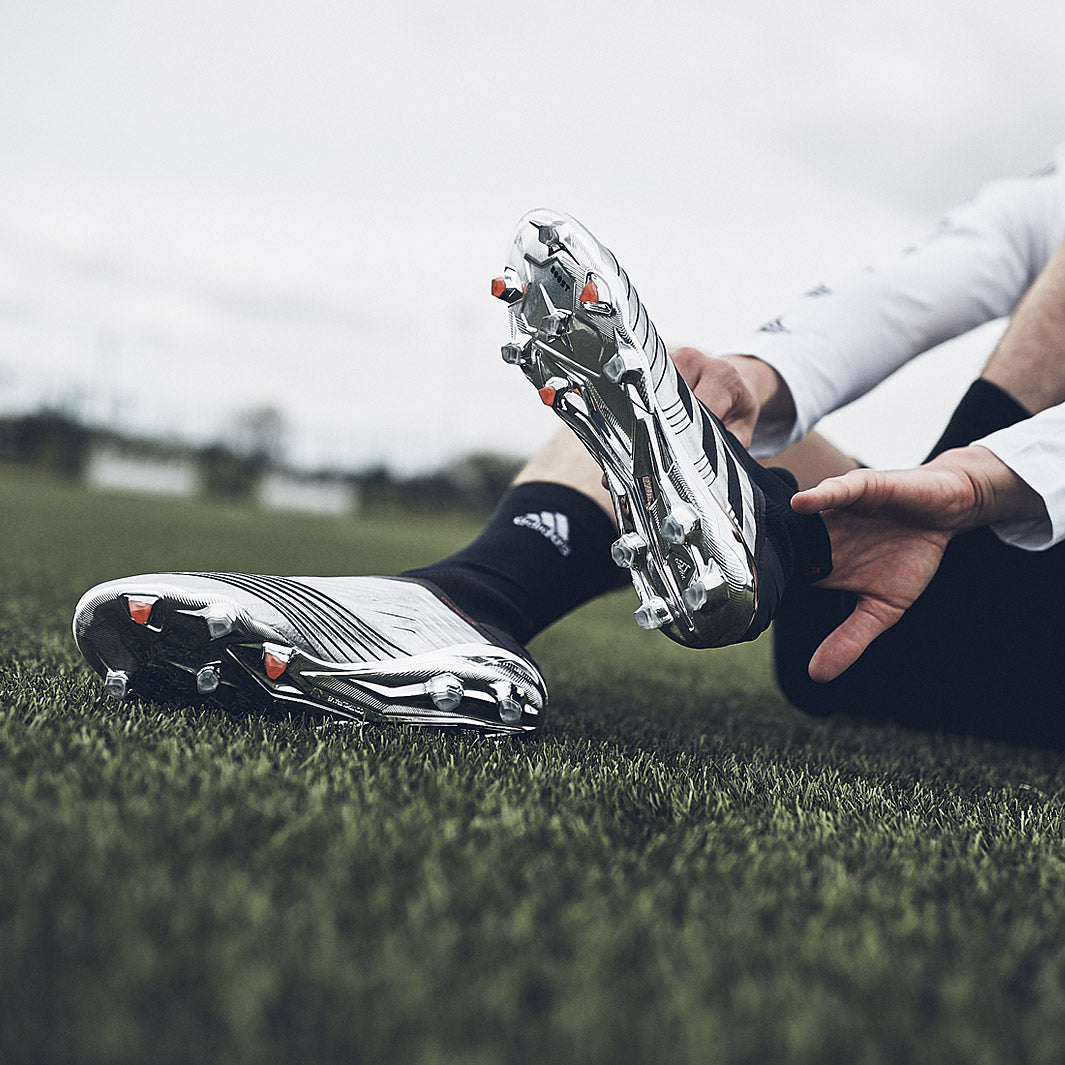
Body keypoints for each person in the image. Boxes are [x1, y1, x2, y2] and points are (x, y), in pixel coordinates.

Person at [73, 146, 1065, 745]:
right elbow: (923, 279)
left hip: (1003, 653)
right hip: (875, 636)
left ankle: (762, 537)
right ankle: (465, 604)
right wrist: (751, 388)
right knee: (656, 402)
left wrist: (972, 483)